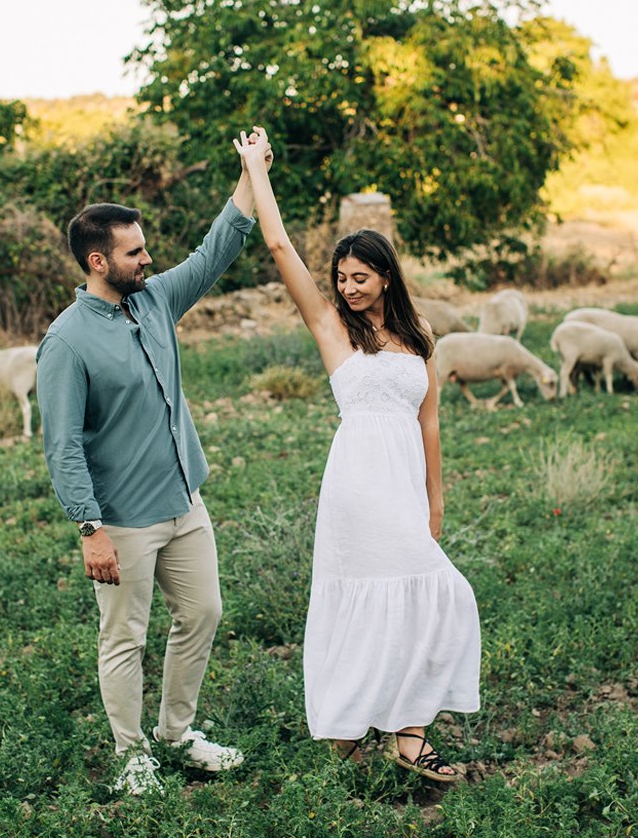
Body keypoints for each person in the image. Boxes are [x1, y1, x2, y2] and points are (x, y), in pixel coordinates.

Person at [232, 130, 481, 781]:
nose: (347, 287)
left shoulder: (419, 332)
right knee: (394, 594)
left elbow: (430, 421)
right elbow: (280, 245)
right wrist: (256, 169)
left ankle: (406, 733)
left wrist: (436, 496)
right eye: (341, 278)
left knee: (434, 593)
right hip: (356, 483)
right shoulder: (331, 327)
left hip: (403, 481)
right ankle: (357, 729)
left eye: (360, 277)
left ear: (387, 276)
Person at [38, 135, 261, 795]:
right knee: (124, 637)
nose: (148, 257)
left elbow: (216, 249)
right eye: (135, 251)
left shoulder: (156, 299)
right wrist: (90, 527)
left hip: (185, 502)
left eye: (146, 247)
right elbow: (62, 445)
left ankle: (176, 732)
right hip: (122, 521)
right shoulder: (67, 341)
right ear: (99, 260)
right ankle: (131, 752)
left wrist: (251, 172)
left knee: (203, 612)